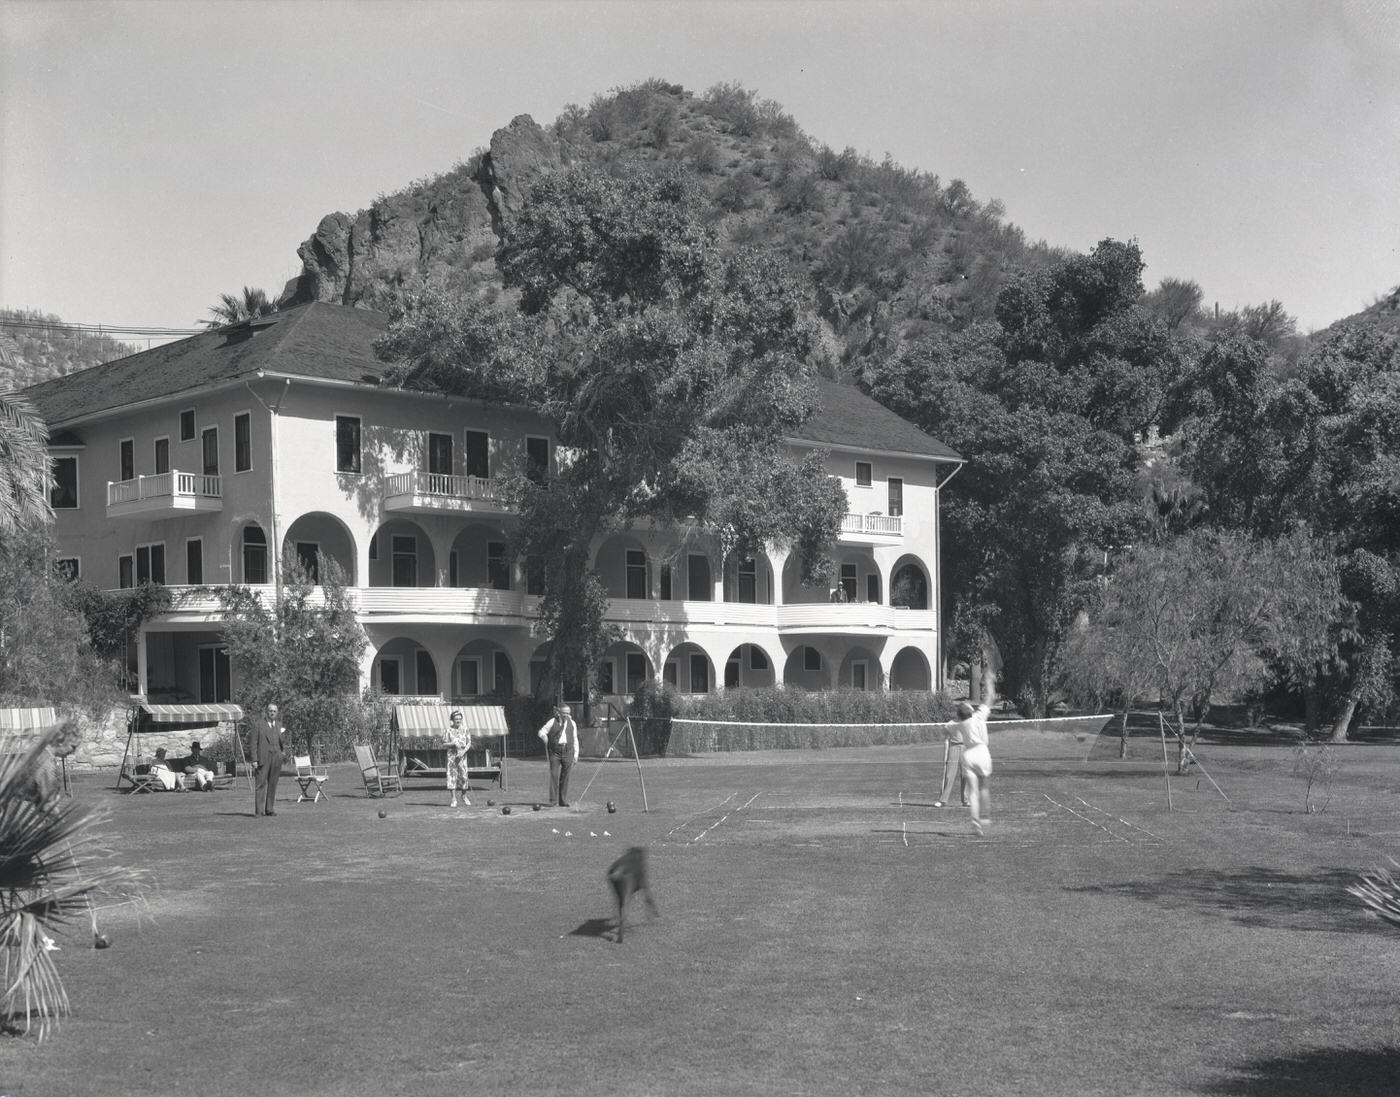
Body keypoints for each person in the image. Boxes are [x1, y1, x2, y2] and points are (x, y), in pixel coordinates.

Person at [955, 699, 993, 834]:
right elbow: (989, 698)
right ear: (971, 711)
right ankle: (985, 816)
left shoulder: (960, 724)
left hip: (968, 755)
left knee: (973, 792)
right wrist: (989, 682)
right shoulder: (979, 716)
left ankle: (975, 820)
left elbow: (945, 731)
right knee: (984, 787)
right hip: (982, 752)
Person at [537, 703, 579, 807]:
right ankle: (553, 801)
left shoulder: (572, 723)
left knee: (565, 777)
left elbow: (575, 739)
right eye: (564, 713)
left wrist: (576, 755)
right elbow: (541, 732)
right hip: (555, 752)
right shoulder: (552, 721)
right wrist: (544, 737)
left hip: (568, 751)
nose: (566, 715)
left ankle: (563, 801)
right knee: (554, 776)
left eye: (568, 713)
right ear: (559, 713)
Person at [249, 701, 285, 817]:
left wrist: (281, 753)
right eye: (270, 711)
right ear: (266, 712)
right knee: (260, 784)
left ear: (277, 713)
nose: (272, 713)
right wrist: (254, 759)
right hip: (263, 757)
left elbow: (281, 741)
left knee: (273, 783)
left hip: (276, 757)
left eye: (274, 711)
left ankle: (269, 809)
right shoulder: (258, 724)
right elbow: (253, 743)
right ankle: (259, 811)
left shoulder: (279, 725)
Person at [933, 721, 969, 809]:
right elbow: (945, 738)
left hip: (966, 747)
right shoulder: (951, 724)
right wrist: (945, 755)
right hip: (954, 747)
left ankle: (966, 800)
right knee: (949, 775)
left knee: (966, 774)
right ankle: (942, 800)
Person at [445, 709, 472, 807]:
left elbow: (469, 743)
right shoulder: (448, 730)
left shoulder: (465, 729)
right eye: (456, 719)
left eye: (460, 719)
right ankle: (453, 799)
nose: (458, 720)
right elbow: (443, 744)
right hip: (451, 758)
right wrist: (452, 743)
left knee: (464, 777)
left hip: (462, 757)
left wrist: (463, 752)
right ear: (452, 719)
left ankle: (464, 796)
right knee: (452, 778)